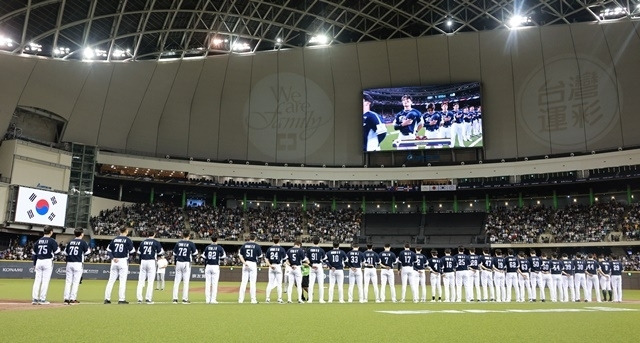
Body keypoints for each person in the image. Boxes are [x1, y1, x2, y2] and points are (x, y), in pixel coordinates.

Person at [104, 226, 135, 304]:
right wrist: (128, 259)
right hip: (123, 260)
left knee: (111, 281)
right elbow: (132, 251)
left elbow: (108, 250)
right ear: (126, 231)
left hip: (114, 261)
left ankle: (107, 299)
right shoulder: (127, 240)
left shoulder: (114, 239)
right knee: (122, 281)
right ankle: (121, 299)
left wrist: (112, 258)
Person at [32, 226, 61, 305]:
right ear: (51, 232)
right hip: (47, 261)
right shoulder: (52, 241)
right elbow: (57, 251)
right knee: (45, 281)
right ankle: (42, 299)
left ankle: (34, 299)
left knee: (37, 281)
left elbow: (34, 254)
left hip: (38, 261)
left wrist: (34, 264)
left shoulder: (38, 241)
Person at [63, 228, 90, 305]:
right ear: (82, 234)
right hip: (78, 263)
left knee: (68, 281)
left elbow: (65, 253)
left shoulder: (70, 242)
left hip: (69, 263)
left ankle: (66, 298)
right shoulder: (83, 242)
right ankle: (72, 298)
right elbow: (87, 253)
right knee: (75, 282)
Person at [136, 230, 164, 304]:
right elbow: (160, 253)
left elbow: (139, 253)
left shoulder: (143, 242)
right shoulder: (156, 242)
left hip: (143, 261)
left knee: (141, 281)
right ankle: (148, 299)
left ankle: (139, 299)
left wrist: (139, 263)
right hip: (151, 261)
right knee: (150, 282)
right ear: (154, 234)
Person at [172, 230, 198, 304]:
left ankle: (175, 299)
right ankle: (184, 299)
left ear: (182, 235)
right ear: (189, 235)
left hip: (178, 262)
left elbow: (174, 253)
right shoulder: (191, 243)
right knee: (186, 282)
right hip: (186, 263)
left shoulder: (178, 243)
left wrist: (174, 263)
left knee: (176, 282)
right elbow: (195, 253)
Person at [239, 233, 263, 304]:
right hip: (253, 263)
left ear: (249, 238)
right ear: (254, 238)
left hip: (246, 263)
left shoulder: (244, 245)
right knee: (252, 283)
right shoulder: (257, 246)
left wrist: (244, 262)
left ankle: (240, 299)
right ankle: (253, 299)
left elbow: (240, 256)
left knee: (243, 282)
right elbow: (260, 256)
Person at [202, 235, 226, 304]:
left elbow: (203, 256)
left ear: (211, 240)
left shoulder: (207, 247)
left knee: (207, 283)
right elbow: (223, 256)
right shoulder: (219, 247)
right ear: (217, 240)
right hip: (215, 266)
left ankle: (207, 300)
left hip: (208, 265)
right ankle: (213, 300)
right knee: (214, 284)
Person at [264, 235, 287, 304]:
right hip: (278, 266)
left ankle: (267, 298)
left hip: (271, 266)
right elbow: (285, 259)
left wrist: (270, 265)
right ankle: (279, 299)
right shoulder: (281, 249)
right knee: (279, 284)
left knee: (270, 283)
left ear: (273, 241)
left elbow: (266, 259)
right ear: (279, 240)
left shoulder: (269, 249)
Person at [306, 236, 327, 303]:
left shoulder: (309, 249)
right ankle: (321, 299)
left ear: (313, 241)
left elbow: (306, 259)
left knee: (311, 284)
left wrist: (310, 265)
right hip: (318, 265)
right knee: (321, 284)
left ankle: (310, 299)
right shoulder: (321, 250)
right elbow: (324, 258)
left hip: (312, 266)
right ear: (319, 241)